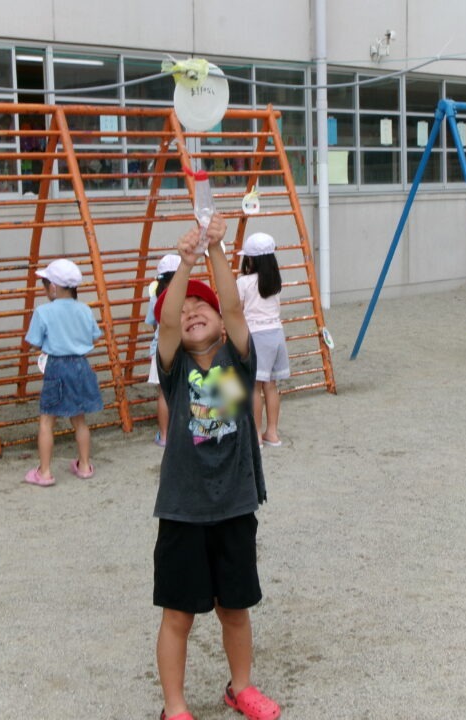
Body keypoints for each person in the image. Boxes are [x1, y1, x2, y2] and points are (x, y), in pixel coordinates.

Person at [151, 215, 280, 720]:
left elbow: (233, 305)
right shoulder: (175, 368)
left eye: (200, 306)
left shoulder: (238, 362)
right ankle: (175, 706)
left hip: (234, 505)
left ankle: (240, 687)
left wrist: (217, 250)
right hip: (183, 511)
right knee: (178, 615)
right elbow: (167, 324)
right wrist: (185, 265)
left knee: (235, 609)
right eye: (183, 310)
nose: (191, 313)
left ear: (222, 324)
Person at [24, 258, 103, 486]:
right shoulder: (85, 309)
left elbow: (34, 342)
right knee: (79, 419)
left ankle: (45, 472)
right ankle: (85, 465)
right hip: (81, 365)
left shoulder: (43, 312)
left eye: (45, 284)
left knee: (47, 419)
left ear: (53, 287)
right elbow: (94, 338)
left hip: (57, 366)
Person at [236, 232, 289, 448]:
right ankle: (272, 433)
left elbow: (235, 310)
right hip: (276, 333)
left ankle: (256, 435)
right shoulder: (275, 281)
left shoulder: (244, 282)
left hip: (256, 335)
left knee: (253, 387)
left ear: (250, 259)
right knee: (271, 386)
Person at [145, 252, 181, 447]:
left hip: (161, 348)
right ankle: (182, 432)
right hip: (183, 347)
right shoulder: (186, 294)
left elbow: (153, 323)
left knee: (163, 393)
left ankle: (165, 435)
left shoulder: (156, 297)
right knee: (184, 391)